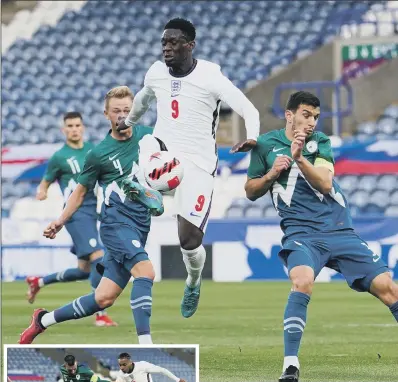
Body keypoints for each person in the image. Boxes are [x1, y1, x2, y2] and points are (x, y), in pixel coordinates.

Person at [245, 91, 398, 382]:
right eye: (306, 114)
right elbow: (251, 191)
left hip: (339, 229)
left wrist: (299, 158)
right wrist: (269, 176)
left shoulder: (320, 142)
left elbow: (326, 184)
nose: (312, 121)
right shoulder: (264, 145)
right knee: (301, 281)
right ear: (289, 115)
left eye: (315, 116)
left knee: (388, 288)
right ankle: (290, 364)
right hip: (302, 233)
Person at [117, 17, 260, 318]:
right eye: (164, 42)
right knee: (146, 144)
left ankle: (193, 281)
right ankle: (147, 192)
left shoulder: (211, 76)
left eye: (174, 42)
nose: (167, 47)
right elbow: (144, 98)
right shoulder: (156, 72)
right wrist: (128, 123)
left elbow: (248, 107)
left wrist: (253, 136)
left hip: (199, 163)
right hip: (164, 151)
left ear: (190, 45)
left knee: (189, 241)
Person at [19, 86, 163, 345]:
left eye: (127, 111)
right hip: (116, 225)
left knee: (103, 298)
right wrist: (60, 221)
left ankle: (42, 320)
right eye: (117, 111)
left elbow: (166, 166)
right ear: (106, 114)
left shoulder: (150, 138)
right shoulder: (98, 154)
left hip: (140, 225)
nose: (122, 116)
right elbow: (80, 191)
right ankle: (146, 346)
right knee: (146, 272)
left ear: (136, 112)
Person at [26, 111, 116, 327]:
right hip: (75, 214)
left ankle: (38, 281)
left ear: (83, 127)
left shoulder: (92, 151)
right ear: (63, 130)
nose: (74, 129)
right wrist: (42, 191)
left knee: (84, 270)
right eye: (70, 126)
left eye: (77, 125)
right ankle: (100, 315)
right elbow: (46, 180)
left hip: (92, 211)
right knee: (98, 257)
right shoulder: (59, 157)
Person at [115, 352, 187, 382]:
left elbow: (162, 370)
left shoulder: (142, 365)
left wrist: (177, 380)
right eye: (120, 365)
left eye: (124, 364)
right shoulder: (121, 373)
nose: (121, 367)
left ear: (130, 362)